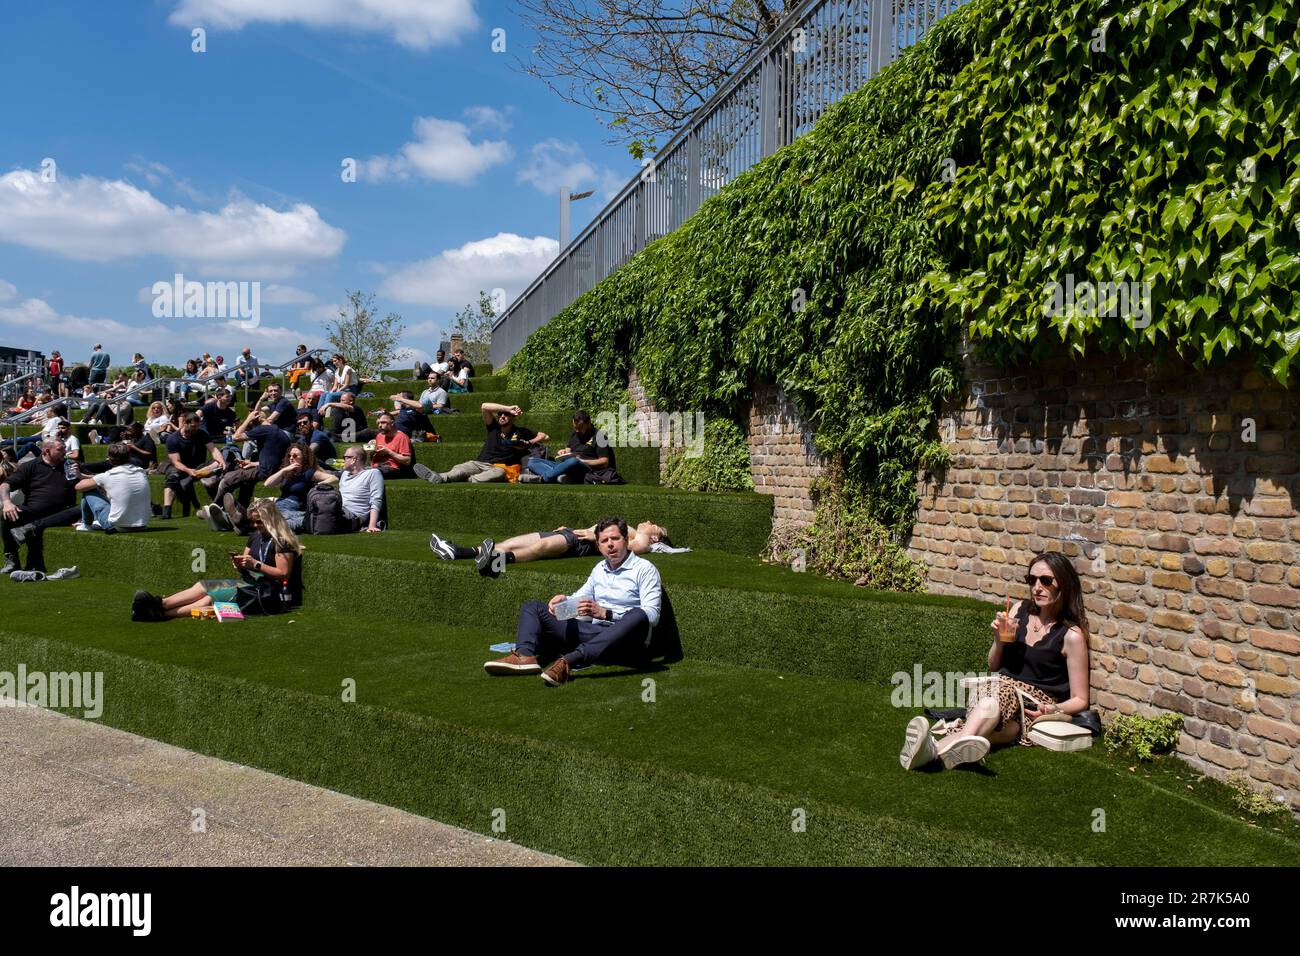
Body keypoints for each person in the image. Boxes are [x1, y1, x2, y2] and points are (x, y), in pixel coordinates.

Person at [898, 551, 1093, 771]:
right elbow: (993, 666)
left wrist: (1052, 708)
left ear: (1063, 584)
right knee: (990, 708)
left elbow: (1080, 699)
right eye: (1032, 580)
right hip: (997, 688)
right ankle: (941, 753)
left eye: (1046, 581)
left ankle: (930, 750)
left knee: (1001, 725)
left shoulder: (1071, 636)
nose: (1037, 587)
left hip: (1029, 706)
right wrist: (999, 640)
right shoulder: (1020, 610)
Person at [484, 517, 663, 686]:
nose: (610, 544)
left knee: (638, 613)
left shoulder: (645, 569)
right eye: (604, 541)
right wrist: (564, 602)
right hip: (595, 633)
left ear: (625, 540)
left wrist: (606, 613)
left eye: (615, 538)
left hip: (628, 644)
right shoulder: (600, 569)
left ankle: (569, 660)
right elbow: (581, 598)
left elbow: (652, 616)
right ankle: (524, 656)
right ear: (598, 546)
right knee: (534, 608)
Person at [131, 499, 304, 621]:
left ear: (270, 519)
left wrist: (255, 564)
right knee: (202, 586)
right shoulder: (255, 536)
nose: (255, 526)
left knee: (209, 599)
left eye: (259, 522)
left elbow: (283, 574)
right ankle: (160, 603)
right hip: (249, 584)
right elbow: (247, 564)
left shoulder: (282, 541)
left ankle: (159, 612)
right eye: (253, 522)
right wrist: (240, 565)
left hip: (267, 593)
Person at [431, 521, 671, 576]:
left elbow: (619, 550)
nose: (650, 521)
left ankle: (495, 563)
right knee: (514, 541)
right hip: (572, 533)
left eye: (655, 526)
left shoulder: (643, 540)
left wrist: (593, 537)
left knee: (541, 547)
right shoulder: (634, 531)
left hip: (580, 543)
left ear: (656, 536)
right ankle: (458, 552)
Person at [413, 403, 547, 484]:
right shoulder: (493, 427)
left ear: (513, 417)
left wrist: (530, 442)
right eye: (500, 414)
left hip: (498, 467)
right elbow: (484, 407)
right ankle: (439, 477)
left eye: (506, 414)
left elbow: (545, 436)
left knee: (499, 473)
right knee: (460, 468)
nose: (502, 416)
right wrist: (508, 408)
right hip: (479, 463)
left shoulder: (520, 431)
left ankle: (470, 479)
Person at [0, 439, 78, 577]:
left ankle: (28, 533)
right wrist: (7, 502)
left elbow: (93, 479)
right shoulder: (30, 466)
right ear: (47, 451)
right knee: (7, 515)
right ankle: (12, 560)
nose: (65, 452)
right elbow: (5, 485)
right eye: (61, 449)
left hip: (63, 512)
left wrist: (81, 475)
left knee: (79, 508)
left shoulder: (70, 465)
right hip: (34, 510)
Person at [74, 442, 151, 533]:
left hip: (115, 526)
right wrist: (84, 476)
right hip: (142, 525)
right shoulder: (141, 471)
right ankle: (96, 521)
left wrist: (81, 476)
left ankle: (86, 524)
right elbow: (110, 477)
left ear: (109, 459)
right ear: (129, 456)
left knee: (89, 491)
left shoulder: (108, 476)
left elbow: (79, 487)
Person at [261, 443, 337, 532]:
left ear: (304, 457)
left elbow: (334, 478)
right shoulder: (287, 472)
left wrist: (318, 485)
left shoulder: (308, 473)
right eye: (289, 455)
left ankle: (303, 520)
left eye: (295, 455)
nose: (291, 458)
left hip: (295, 504)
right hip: (281, 503)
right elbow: (267, 484)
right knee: (264, 515)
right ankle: (303, 518)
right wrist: (283, 470)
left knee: (271, 520)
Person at [161, 413, 225, 519]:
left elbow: (213, 449)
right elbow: (176, 462)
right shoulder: (173, 439)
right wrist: (188, 470)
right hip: (180, 467)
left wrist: (221, 460)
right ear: (185, 424)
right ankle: (167, 510)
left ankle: (197, 475)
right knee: (173, 476)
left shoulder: (202, 433)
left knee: (217, 463)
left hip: (200, 466)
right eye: (193, 426)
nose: (196, 429)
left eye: (197, 426)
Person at [525, 409, 615, 483]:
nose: (577, 430)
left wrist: (582, 461)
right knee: (532, 462)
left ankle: (543, 478)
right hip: (567, 465)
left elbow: (604, 462)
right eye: (575, 428)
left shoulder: (600, 437)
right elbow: (568, 450)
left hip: (585, 469)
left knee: (573, 461)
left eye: (580, 428)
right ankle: (561, 477)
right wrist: (563, 452)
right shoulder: (574, 433)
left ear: (588, 423)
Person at [369, 413, 416, 479]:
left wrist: (389, 452)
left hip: (392, 468)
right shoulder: (379, 436)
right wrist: (371, 449)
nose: (380, 425)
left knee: (370, 473)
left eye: (383, 422)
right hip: (376, 466)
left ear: (392, 423)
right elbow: (372, 456)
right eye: (378, 423)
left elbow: (407, 461)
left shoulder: (402, 437)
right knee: (355, 470)